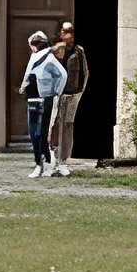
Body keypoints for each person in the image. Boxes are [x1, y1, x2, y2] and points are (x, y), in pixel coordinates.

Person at [19, 29, 67, 178]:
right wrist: (23, 88)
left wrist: (56, 92)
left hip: (45, 99)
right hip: (32, 99)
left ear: (35, 45)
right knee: (34, 134)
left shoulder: (49, 59)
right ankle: (39, 164)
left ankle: (44, 164)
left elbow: (62, 75)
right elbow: (28, 76)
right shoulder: (34, 58)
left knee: (41, 134)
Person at [49, 19, 90, 175]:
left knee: (67, 126)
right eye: (66, 31)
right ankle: (53, 158)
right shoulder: (53, 50)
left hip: (72, 94)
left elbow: (85, 72)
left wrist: (80, 92)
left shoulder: (79, 51)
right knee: (53, 125)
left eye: (71, 30)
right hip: (55, 94)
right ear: (60, 32)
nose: (69, 34)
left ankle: (64, 161)